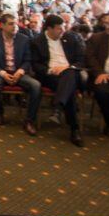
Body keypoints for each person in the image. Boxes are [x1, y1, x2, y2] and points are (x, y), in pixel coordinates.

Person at [30, 14, 86, 146]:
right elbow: (35, 65)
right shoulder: (37, 41)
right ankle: (74, 129)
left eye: (63, 27)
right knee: (69, 90)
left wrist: (67, 67)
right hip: (50, 75)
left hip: (71, 72)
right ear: (49, 28)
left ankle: (59, 106)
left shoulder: (71, 38)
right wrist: (51, 70)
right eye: (59, 28)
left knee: (70, 74)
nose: (62, 31)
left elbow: (80, 59)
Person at [0, 13, 41, 135]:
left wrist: (20, 71)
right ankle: (0, 112)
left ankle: (29, 120)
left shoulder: (24, 39)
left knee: (36, 86)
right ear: (2, 25)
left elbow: (28, 60)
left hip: (18, 71)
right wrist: (3, 73)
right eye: (11, 24)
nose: (15, 26)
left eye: (16, 23)